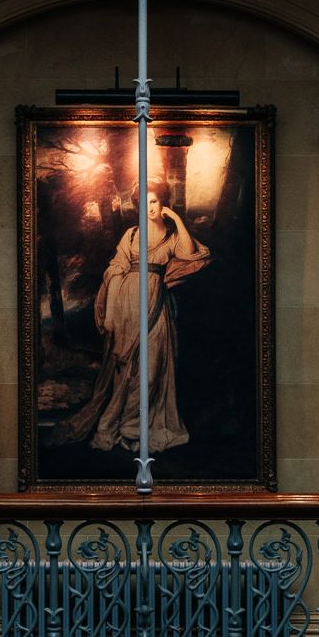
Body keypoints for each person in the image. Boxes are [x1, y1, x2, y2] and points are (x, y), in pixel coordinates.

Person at [55, 181, 210, 454]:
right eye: (145, 202)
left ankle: (134, 427)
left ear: (162, 203)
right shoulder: (131, 235)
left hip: (156, 306)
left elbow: (189, 254)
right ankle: (124, 426)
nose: (149, 208)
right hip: (127, 307)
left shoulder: (172, 236)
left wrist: (175, 219)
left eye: (154, 202)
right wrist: (112, 315)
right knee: (124, 370)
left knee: (151, 371)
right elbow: (114, 275)